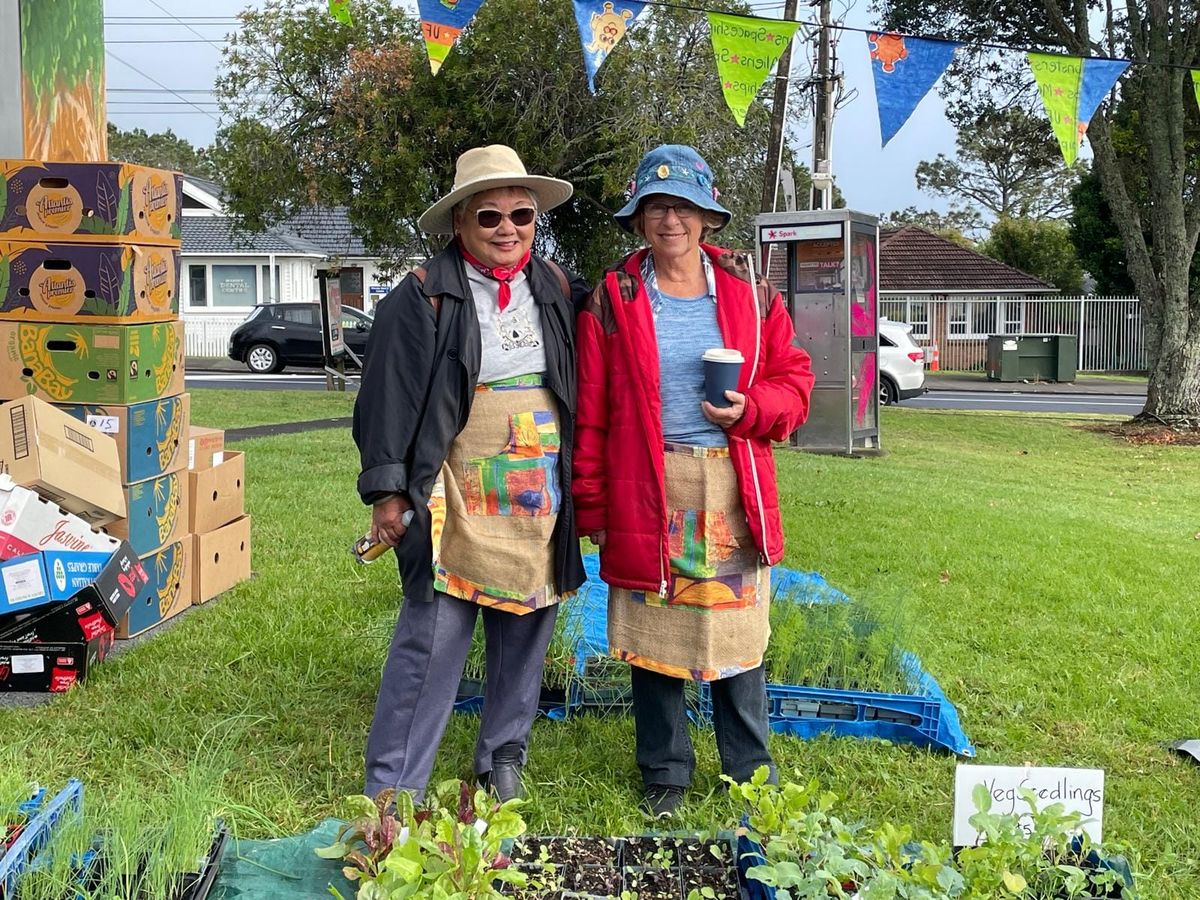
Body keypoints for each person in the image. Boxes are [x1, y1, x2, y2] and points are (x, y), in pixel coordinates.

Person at [573, 145, 814, 818]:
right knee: (655, 635)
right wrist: (592, 501)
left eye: (681, 205)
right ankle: (665, 773)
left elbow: (794, 381)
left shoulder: (749, 294)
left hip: (730, 482)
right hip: (651, 483)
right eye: (655, 206)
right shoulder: (615, 298)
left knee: (736, 637)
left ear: (707, 216)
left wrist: (753, 411)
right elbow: (592, 409)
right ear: (638, 219)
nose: (668, 219)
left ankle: (751, 772)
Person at [353, 144, 588, 803]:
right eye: (490, 216)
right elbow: (386, 400)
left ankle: (502, 757)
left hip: (538, 488)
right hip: (450, 487)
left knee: (526, 625)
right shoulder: (424, 296)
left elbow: (627, 324)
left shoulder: (558, 288)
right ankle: (395, 783)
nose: (508, 228)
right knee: (434, 633)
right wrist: (389, 493)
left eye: (521, 213)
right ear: (460, 222)